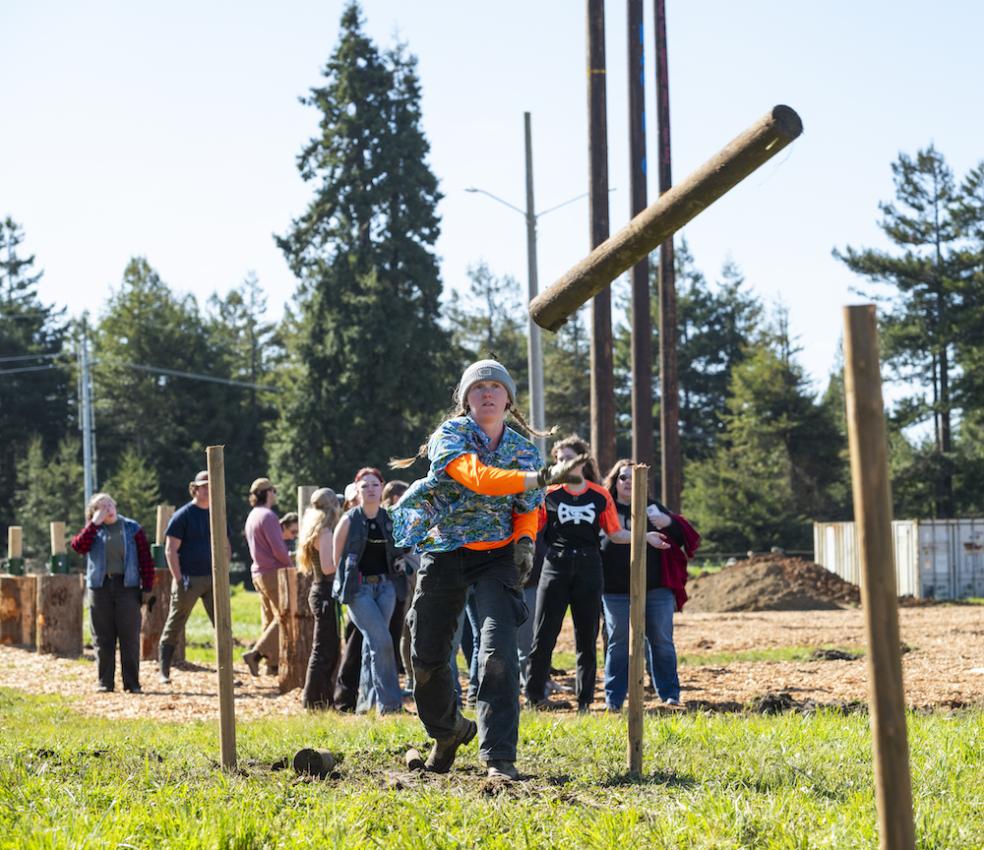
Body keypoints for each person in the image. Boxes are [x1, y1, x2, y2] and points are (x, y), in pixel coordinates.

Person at [390, 359, 585, 781]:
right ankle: (448, 731)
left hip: (496, 557)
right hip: (445, 550)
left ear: (509, 398)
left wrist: (526, 543)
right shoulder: (451, 436)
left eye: (496, 386)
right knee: (424, 658)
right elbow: (477, 477)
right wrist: (538, 477)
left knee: (497, 654)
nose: (488, 393)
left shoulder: (521, 449)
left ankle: (499, 757)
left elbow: (526, 509)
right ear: (465, 399)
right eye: (478, 387)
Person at [524, 435, 670, 712]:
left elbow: (615, 533)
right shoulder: (549, 494)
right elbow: (532, 527)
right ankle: (534, 697)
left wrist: (645, 536)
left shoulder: (599, 495)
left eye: (566, 458)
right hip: (555, 566)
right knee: (544, 635)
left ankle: (585, 701)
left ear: (581, 460)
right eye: (557, 459)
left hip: (589, 568)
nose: (561, 464)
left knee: (587, 637)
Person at [600, 458, 700, 710]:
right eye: (624, 477)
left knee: (661, 641)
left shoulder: (653, 508)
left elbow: (680, 538)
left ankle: (669, 695)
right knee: (619, 642)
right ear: (615, 480)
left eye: (634, 478)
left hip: (656, 588)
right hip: (615, 590)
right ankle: (614, 700)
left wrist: (670, 523)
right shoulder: (604, 508)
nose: (628, 483)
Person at [332, 467, 404, 715]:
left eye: (375, 484)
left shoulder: (389, 518)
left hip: (386, 587)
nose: (371, 489)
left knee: (371, 645)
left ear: (382, 487)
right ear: (357, 491)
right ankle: (391, 706)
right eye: (365, 486)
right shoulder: (348, 520)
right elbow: (336, 560)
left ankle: (366, 705)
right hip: (358, 590)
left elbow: (401, 549)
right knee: (382, 641)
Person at [71, 493, 155, 693]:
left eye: (109, 504)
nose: (107, 508)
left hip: (127, 586)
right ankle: (105, 682)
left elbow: (145, 559)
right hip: (100, 587)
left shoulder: (132, 528)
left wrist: (147, 588)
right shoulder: (93, 531)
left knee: (129, 637)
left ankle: (132, 684)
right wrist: (93, 524)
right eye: (101, 506)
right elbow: (78, 547)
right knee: (103, 637)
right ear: (93, 512)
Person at [158, 470, 229, 684]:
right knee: (176, 623)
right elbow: (170, 549)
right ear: (195, 489)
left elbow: (225, 544)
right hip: (188, 579)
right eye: (204, 486)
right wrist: (179, 579)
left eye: (211, 486)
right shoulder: (183, 515)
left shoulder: (218, 513)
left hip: (213, 579)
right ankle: (164, 671)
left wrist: (223, 574)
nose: (208, 490)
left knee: (222, 625)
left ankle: (225, 673)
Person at [242, 478, 293, 676]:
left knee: (270, 617)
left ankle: (271, 664)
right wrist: (291, 565)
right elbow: (279, 549)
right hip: (273, 572)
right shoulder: (269, 517)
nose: (275, 494)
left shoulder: (252, 515)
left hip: (258, 572)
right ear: (268, 493)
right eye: (274, 491)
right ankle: (256, 654)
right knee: (285, 615)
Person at [299, 488, 342, 710]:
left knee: (327, 648)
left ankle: (320, 699)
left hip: (321, 591)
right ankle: (314, 700)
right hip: (325, 591)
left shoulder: (315, 529)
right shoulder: (324, 533)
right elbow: (327, 567)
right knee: (324, 649)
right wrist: (345, 560)